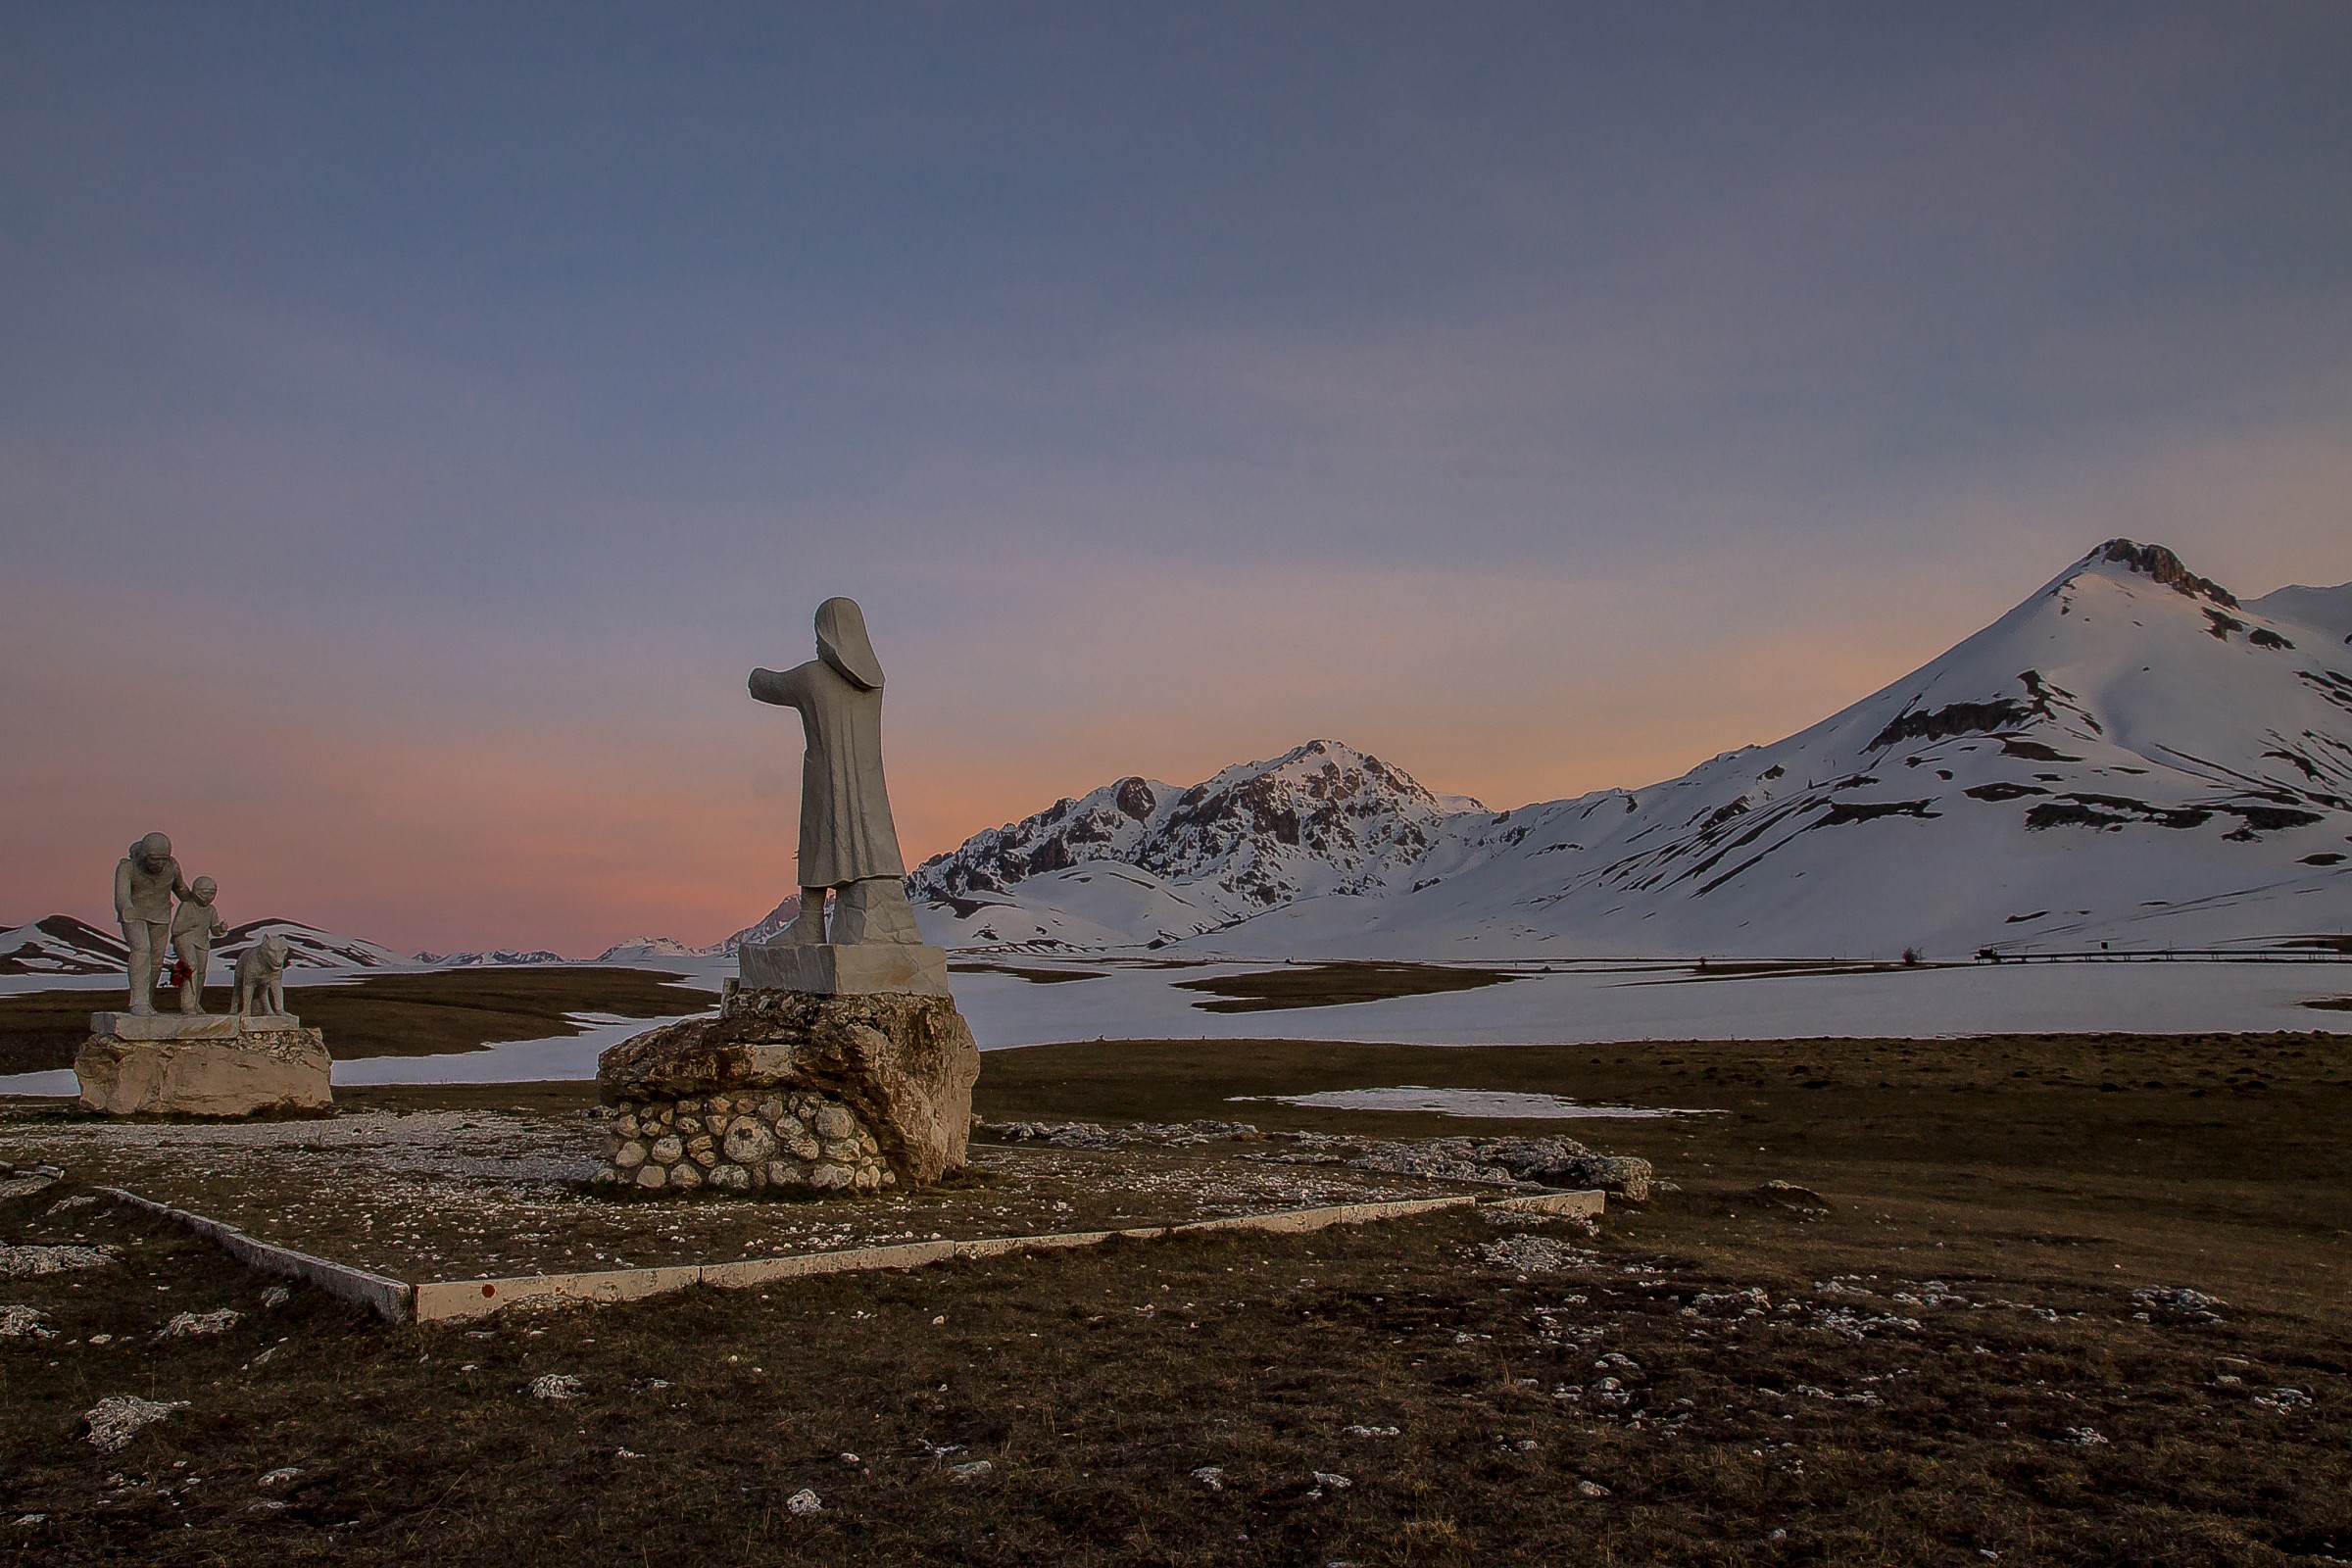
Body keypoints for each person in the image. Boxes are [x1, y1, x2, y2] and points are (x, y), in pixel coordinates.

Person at [748, 598, 924, 945]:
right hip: (869, 786)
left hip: (824, 779)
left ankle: (810, 922)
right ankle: (828, 918)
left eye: (820, 633)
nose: (817, 643)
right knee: (866, 839)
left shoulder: (812, 677)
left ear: (831, 634)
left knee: (817, 839)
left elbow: (764, 685)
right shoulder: (874, 683)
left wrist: (753, 672)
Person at [114, 832, 189, 1014]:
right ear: (144, 855)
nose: (160, 864)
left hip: (161, 916)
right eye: (155, 859)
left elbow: (181, 890)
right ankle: (137, 1002)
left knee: (156, 961)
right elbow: (122, 896)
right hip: (134, 915)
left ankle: (147, 1001)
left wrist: (199, 900)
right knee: (141, 950)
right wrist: (126, 908)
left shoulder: (172, 867)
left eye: (164, 859)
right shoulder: (127, 868)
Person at [169, 876, 228, 1014]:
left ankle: (195, 1002)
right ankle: (187, 1004)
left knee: (201, 973)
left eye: (212, 893)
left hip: (202, 943)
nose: (208, 897)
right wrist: (191, 924)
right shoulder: (187, 906)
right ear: (196, 891)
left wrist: (220, 928)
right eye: (205, 893)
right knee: (191, 967)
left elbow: (214, 929)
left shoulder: (211, 910)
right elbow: (175, 929)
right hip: (184, 939)